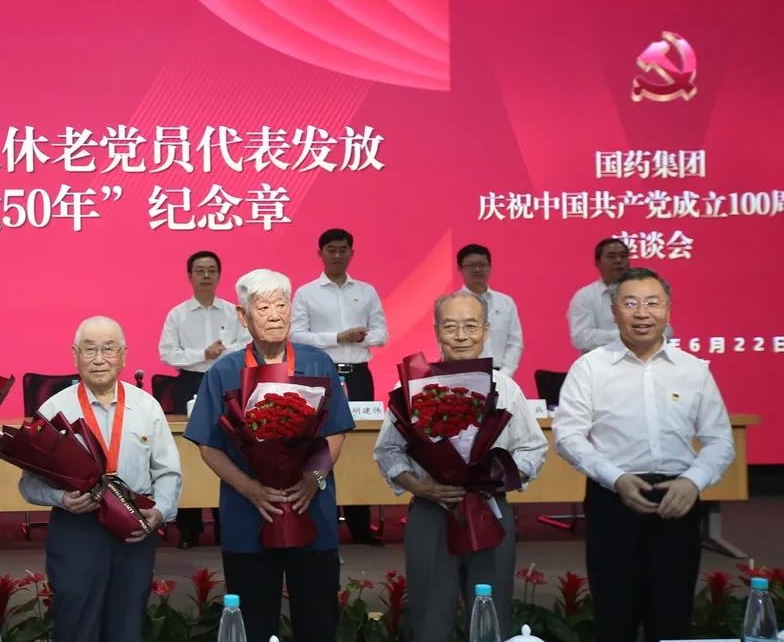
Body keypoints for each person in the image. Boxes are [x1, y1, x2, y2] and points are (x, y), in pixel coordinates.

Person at [554, 268, 735, 642]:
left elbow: (720, 440)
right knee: (614, 616)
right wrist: (615, 478)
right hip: (613, 500)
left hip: (678, 501)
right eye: (630, 303)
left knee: (672, 617)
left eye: (653, 303)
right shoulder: (589, 368)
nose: (642, 313)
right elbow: (568, 436)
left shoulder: (693, 369)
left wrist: (693, 482)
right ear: (613, 310)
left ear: (668, 309)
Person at [185, 269, 354, 642]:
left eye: (281, 305)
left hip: (312, 510)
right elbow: (208, 445)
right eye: (263, 308)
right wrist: (250, 489)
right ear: (243, 316)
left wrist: (313, 479)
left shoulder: (318, 362)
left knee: (318, 621)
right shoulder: (224, 371)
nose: (275, 315)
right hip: (249, 515)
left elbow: (336, 431)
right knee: (254, 624)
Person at [373, 291, 547, 640]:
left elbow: (533, 448)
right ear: (436, 330)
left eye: (471, 326)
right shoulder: (411, 387)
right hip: (431, 510)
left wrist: (494, 480)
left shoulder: (506, 388)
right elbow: (388, 451)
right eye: (450, 327)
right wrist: (421, 486)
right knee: (429, 620)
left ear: (486, 330)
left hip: (489, 511)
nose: (461, 336)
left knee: (490, 618)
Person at [20, 316, 182, 642]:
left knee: (127, 624)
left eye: (108, 349)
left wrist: (159, 512)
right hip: (77, 528)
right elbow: (29, 483)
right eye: (89, 349)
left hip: (134, 528)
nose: (98, 359)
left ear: (123, 355)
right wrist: (60, 499)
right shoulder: (54, 409)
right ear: (75, 355)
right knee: (76, 624)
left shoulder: (147, 407)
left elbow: (168, 472)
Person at [290, 228, 387, 546]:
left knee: (359, 443)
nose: (337, 255)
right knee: (321, 444)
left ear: (351, 253)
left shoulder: (367, 291)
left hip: (359, 374)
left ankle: (361, 525)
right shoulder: (306, 293)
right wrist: (338, 337)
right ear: (320, 253)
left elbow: (381, 333)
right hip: (320, 375)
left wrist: (360, 338)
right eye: (330, 249)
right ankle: (322, 518)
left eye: (343, 249)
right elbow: (297, 335)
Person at [158, 250, 246, 548]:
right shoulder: (178, 314)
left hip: (228, 384)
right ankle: (189, 529)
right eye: (200, 270)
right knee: (189, 453)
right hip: (190, 383)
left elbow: (247, 345)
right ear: (190, 276)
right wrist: (203, 354)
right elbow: (167, 353)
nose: (206, 275)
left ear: (219, 275)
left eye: (211, 270)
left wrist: (222, 354)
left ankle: (227, 525)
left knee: (230, 448)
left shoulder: (234, 312)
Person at [456, 243, 524, 376]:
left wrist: (505, 374)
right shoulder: (449, 304)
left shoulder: (506, 302)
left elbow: (515, 342)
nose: (477, 269)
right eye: (471, 265)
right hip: (463, 373)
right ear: (460, 268)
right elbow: (445, 342)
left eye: (482, 265)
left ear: (490, 267)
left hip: (501, 373)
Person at [567, 238, 630, 353]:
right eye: (611, 256)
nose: (618, 260)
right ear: (597, 263)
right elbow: (581, 338)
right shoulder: (585, 296)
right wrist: (625, 336)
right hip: (602, 362)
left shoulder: (644, 292)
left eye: (623, 256)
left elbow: (663, 330)